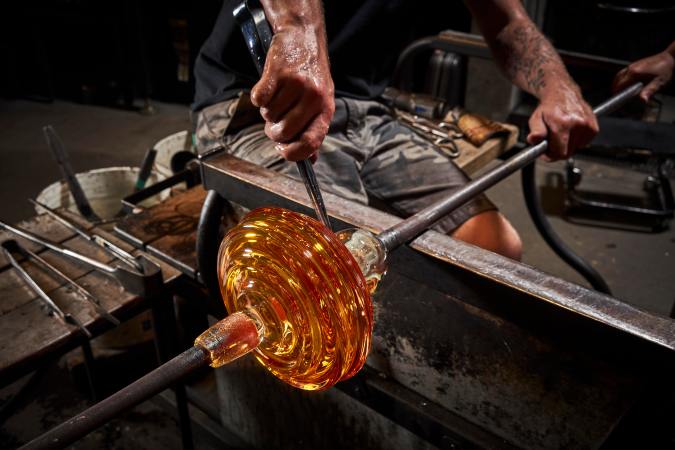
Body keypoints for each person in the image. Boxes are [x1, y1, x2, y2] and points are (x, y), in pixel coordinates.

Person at [193, 0, 600, 261]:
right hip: (256, 106)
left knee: (495, 247)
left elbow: (507, 22)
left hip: (366, 110)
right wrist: (298, 30)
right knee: (330, 273)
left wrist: (557, 87)